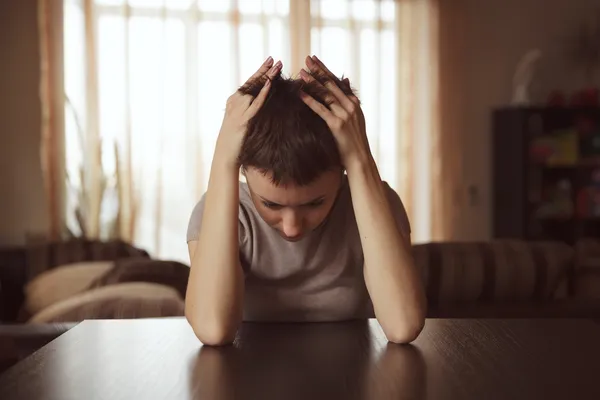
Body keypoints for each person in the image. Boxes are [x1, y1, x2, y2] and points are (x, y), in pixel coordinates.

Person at [185, 55, 426, 346]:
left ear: (342, 172)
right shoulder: (222, 212)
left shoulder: (375, 201)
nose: (291, 228)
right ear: (244, 172)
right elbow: (213, 329)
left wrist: (360, 158)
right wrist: (225, 157)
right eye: (271, 204)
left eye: (314, 203)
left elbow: (403, 325)